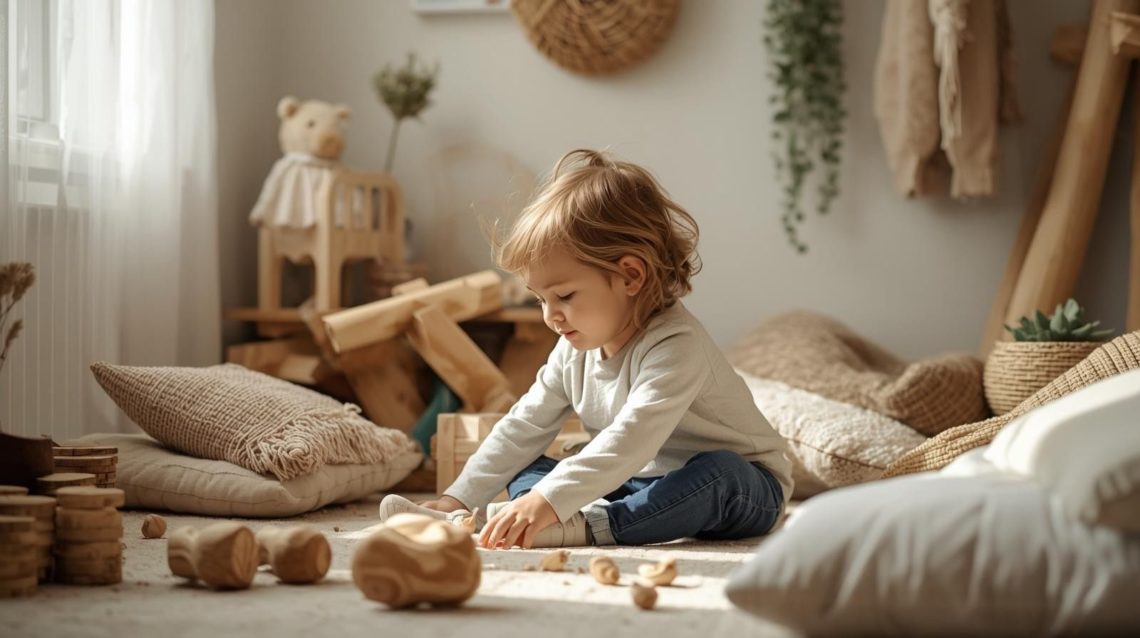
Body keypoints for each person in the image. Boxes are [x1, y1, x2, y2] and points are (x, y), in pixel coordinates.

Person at [379, 149, 793, 549]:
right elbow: (523, 426)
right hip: (637, 481)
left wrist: (548, 501)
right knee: (528, 461)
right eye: (541, 300)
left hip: (743, 489)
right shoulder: (571, 349)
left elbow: (632, 441)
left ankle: (590, 527)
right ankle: (479, 520)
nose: (550, 316)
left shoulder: (676, 346)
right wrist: (459, 496)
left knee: (717, 474)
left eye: (564, 295)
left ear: (630, 275)